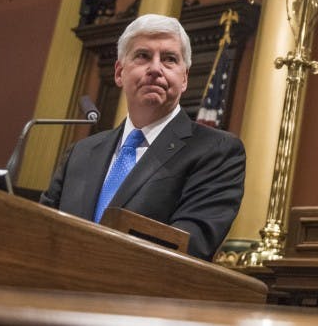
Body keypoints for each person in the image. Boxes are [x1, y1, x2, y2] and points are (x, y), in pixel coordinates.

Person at [41, 14, 245, 260]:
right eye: (143, 56)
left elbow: (188, 246)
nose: (156, 68)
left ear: (184, 79)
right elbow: (41, 229)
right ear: (119, 73)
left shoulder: (217, 151)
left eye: (169, 59)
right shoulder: (80, 153)